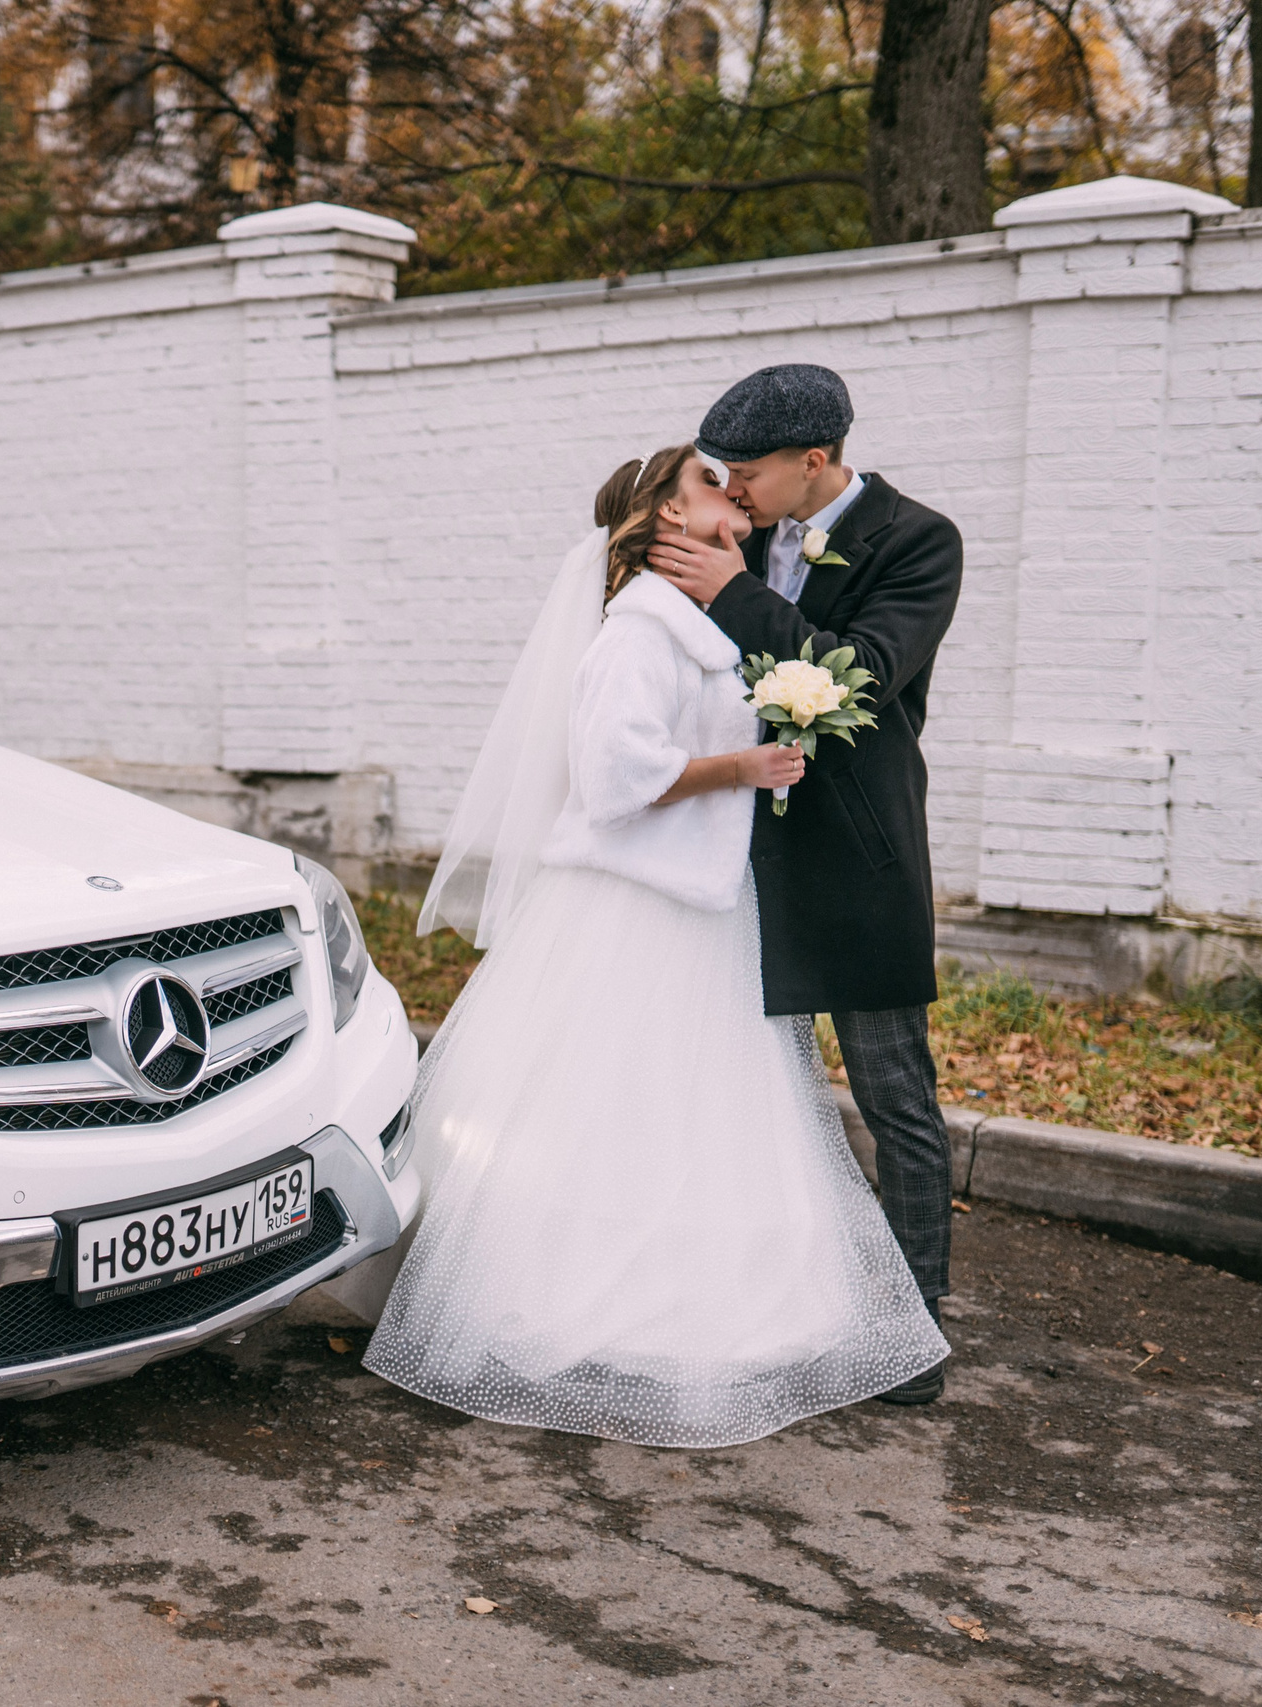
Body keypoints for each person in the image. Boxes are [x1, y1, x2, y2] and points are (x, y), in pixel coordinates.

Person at [360, 445, 947, 1449]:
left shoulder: (715, 606)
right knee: (619, 1107)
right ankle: (600, 1306)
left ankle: (730, 1299)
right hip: (640, 907)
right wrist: (739, 765)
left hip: (708, 907)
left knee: (700, 1118)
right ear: (666, 522)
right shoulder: (639, 625)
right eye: (709, 487)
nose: (735, 497)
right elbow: (612, 772)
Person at [646, 364, 963, 1406]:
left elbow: (859, 676)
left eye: (746, 472)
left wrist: (728, 596)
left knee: (891, 1094)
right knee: (753, 1098)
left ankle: (913, 1330)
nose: (732, 490)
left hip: (857, 856)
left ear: (813, 461)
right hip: (735, 857)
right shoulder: (735, 539)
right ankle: (770, 1301)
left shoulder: (918, 541)